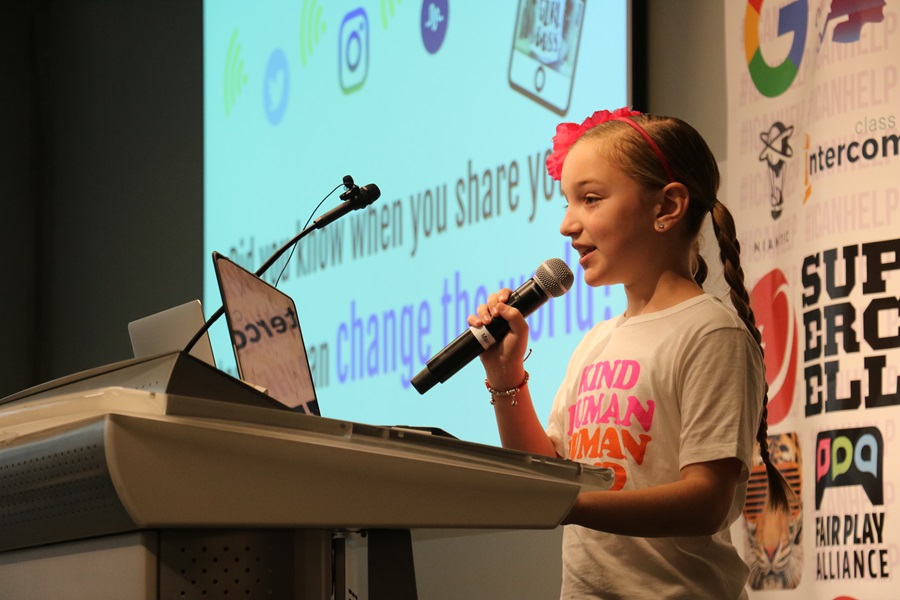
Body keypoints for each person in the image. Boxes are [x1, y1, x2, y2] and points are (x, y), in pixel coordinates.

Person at [468, 107, 793, 599]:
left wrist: (565, 504)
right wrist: (506, 374)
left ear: (667, 207)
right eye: (567, 202)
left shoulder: (710, 333)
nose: (566, 224)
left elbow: (705, 501)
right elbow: (545, 470)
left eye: (590, 199)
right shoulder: (598, 340)